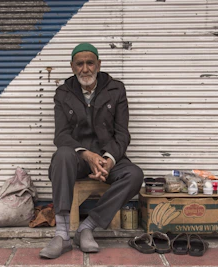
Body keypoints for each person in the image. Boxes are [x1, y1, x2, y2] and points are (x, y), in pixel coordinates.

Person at [39, 43, 144, 259]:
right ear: (72, 67)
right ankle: (62, 235)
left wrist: (109, 160)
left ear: (98, 64)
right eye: (80, 64)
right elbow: (61, 135)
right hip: (77, 160)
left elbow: (122, 134)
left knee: (134, 175)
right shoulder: (63, 93)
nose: (85, 69)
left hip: (108, 158)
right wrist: (87, 154)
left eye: (90, 63)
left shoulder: (116, 89)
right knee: (62, 154)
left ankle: (87, 227)